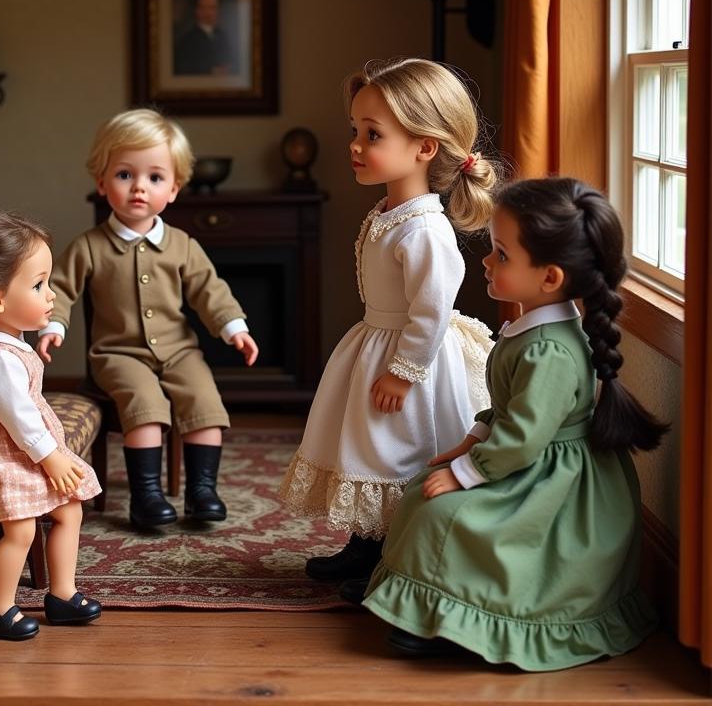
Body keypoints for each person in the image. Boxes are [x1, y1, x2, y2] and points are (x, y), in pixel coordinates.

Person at [361, 178, 666, 670]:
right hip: (524, 460)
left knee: (448, 515)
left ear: (549, 277)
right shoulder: (531, 330)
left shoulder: (551, 350)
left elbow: (523, 438)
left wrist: (467, 472)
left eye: (501, 254)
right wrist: (471, 440)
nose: (486, 261)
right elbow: (506, 412)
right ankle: (426, 604)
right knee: (420, 493)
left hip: (553, 487)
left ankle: (471, 619)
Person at [279, 58, 495, 588]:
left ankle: (396, 556)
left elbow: (431, 310)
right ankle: (367, 543)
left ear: (424, 148)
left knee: (399, 449)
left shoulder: (424, 229)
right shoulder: (387, 213)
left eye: (372, 134)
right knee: (367, 445)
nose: (354, 144)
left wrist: (405, 371)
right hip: (378, 341)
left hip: (412, 358)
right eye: (355, 130)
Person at [37, 108, 259, 528]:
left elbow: (209, 289)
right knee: (145, 402)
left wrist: (234, 327)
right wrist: (54, 326)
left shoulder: (182, 245)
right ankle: (147, 496)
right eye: (124, 175)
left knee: (205, 400)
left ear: (173, 189)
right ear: (102, 183)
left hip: (179, 352)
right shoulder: (90, 246)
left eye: (155, 178)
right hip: (118, 356)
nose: (140, 187)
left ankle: (202, 489)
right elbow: (60, 288)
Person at [0, 211, 102, 641]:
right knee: (22, 525)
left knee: (70, 507)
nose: (50, 295)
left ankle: (63, 595)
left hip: (15, 449)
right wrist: (51, 460)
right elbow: (21, 422)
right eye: (38, 285)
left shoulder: (10, 341)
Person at [173, 0, 237, 75]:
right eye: (202, 7)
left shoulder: (224, 36)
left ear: (218, 10)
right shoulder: (187, 40)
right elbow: (182, 69)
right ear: (196, 10)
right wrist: (210, 71)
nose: (208, 13)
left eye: (212, 8)